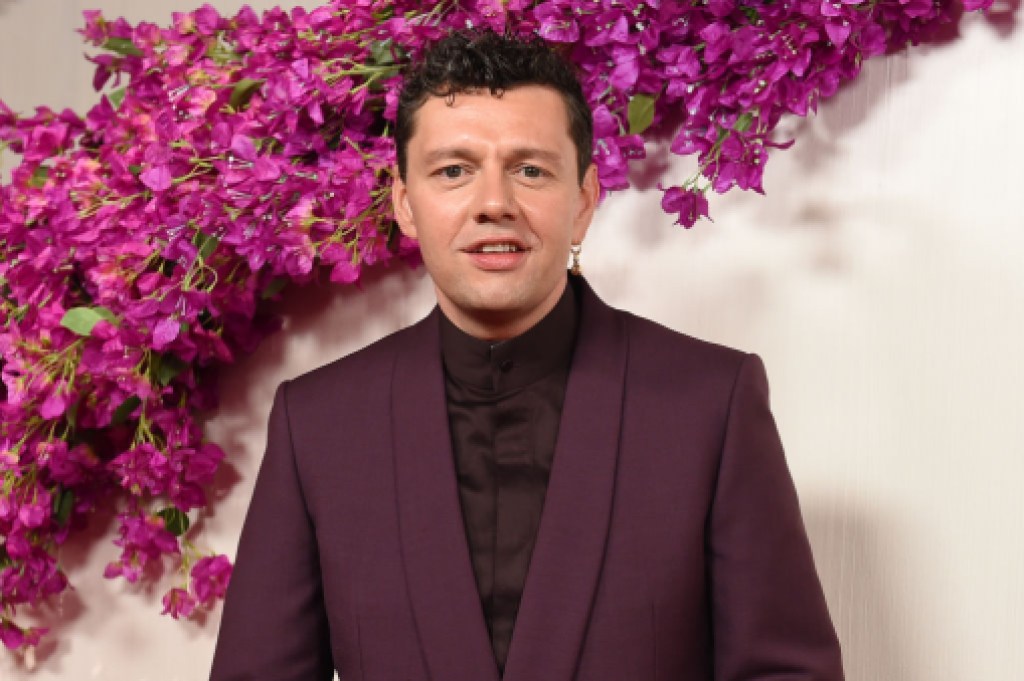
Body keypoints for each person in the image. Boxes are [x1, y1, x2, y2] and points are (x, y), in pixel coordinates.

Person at [210, 29, 844, 681]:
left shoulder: (712, 403)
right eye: (453, 170)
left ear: (584, 201)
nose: (494, 205)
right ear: (404, 202)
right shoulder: (318, 424)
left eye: (530, 169)